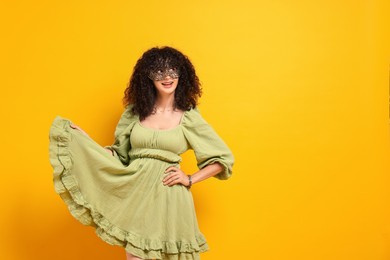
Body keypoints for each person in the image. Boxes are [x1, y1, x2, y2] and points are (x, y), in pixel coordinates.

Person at [49, 46, 234, 260]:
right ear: (148, 76)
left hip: (170, 198)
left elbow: (223, 159)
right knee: (136, 256)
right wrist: (85, 142)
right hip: (136, 195)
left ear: (182, 74)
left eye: (173, 70)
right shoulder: (134, 113)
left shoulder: (189, 116)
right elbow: (118, 156)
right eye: (159, 71)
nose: (167, 76)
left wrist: (190, 178)